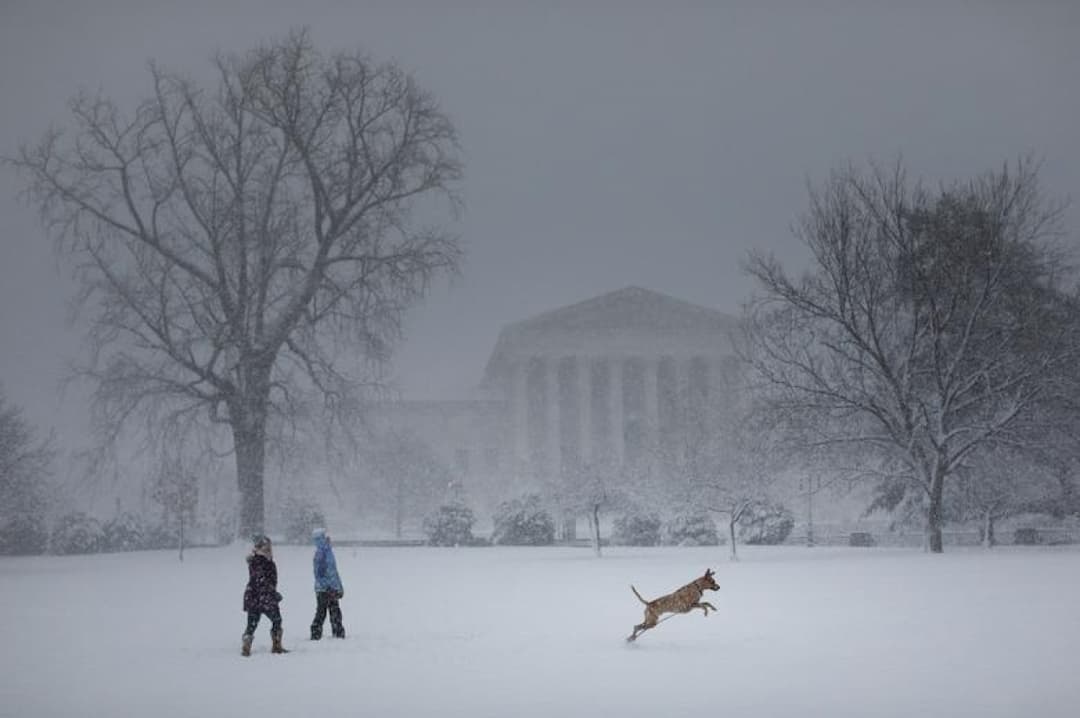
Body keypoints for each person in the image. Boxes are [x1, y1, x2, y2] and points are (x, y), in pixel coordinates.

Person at [241, 534, 287, 656]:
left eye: (269, 548)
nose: (269, 550)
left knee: (252, 623)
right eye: (266, 548)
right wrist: (273, 593)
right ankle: (276, 645)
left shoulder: (257, 561)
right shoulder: (262, 562)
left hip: (254, 596)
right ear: (259, 548)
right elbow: (262, 581)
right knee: (276, 619)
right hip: (264, 597)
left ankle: (247, 643)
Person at [310, 527, 345, 640]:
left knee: (334, 611)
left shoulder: (327, 551)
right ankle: (316, 633)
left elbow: (333, 571)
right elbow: (319, 574)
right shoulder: (321, 553)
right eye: (324, 536)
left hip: (330, 588)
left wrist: (338, 586)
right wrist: (328, 587)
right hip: (325, 589)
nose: (327, 538)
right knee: (323, 611)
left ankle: (338, 632)